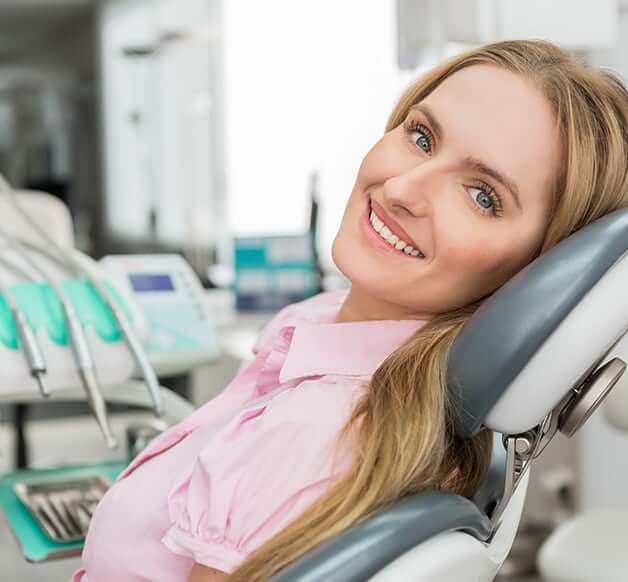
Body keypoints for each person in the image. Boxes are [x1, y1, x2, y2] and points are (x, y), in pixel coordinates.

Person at [70, 39, 628, 582]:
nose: (403, 188)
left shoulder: (316, 431)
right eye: (421, 136)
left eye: (482, 195)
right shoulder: (322, 322)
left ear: (533, 275)